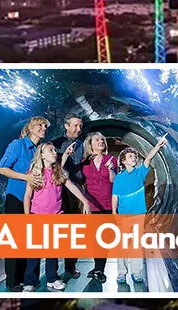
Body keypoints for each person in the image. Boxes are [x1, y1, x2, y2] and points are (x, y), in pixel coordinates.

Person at [22, 142, 91, 292]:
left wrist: (85, 201)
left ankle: (52, 278)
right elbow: (27, 196)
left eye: (55, 150)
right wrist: (27, 217)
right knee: (34, 251)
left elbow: (71, 186)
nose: (54, 152)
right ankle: (30, 281)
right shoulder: (33, 173)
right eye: (51, 150)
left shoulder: (58, 171)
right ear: (41, 154)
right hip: (37, 216)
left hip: (56, 216)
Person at [0, 116, 49, 292]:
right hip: (16, 198)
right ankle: (12, 281)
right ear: (30, 128)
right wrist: (26, 177)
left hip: (33, 202)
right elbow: (2, 168)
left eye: (45, 126)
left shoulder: (40, 150)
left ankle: (27, 279)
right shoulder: (17, 145)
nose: (43, 128)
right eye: (40, 125)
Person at [112, 134, 168, 286]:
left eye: (135, 156)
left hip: (138, 214)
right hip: (123, 215)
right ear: (123, 161)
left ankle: (136, 272)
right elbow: (115, 196)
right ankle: (121, 273)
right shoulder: (119, 178)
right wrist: (114, 212)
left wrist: (158, 145)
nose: (134, 158)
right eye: (130, 156)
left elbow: (148, 158)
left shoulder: (140, 173)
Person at [51, 115, 84, 279]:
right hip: (58, 192)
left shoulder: (81, 145)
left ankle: (71, 266)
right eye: (75, 126)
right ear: (66, 125)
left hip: (75, 191)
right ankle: (53, 270)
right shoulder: (55, 144)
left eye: (80, 126)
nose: (78, 129)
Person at [81, 131, 117, 282]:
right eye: (97, 140)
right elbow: (80, 182)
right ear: (90, 144)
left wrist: (110, 169)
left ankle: (100, 269)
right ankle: (97, 267)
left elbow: (114, 180)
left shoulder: (111, 159)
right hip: (91, 205)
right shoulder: (84, 161)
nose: (101, 141)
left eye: (102, 139)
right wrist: (83, 201)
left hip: (107, 204)